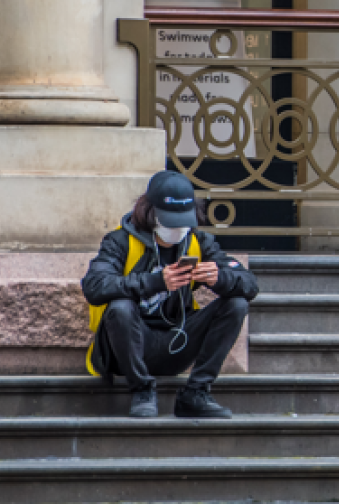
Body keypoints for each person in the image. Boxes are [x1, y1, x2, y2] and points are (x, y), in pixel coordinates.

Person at [81, 170, 259, 419]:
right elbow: (94, 286)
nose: (176, 228)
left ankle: (196, 393)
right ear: (150, 213)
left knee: (236, 303)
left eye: (182, 220)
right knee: (120, 307)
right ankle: (142, 390)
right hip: (129, 349)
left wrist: (220, 278)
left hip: (177, 342)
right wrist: (155, 282)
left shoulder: (198, 241)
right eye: (169, 220)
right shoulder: (120, 241)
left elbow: (250, 285)